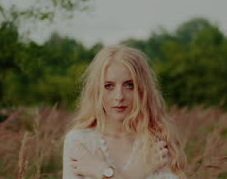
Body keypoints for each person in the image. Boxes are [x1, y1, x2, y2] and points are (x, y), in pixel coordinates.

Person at [62, 45, 187, 179]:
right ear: (97, 90)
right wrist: (137, 171)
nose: (119, 96)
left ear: (142, 90)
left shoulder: (158, 141)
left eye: (129, 85)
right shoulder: (80, 142)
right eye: (109, 86)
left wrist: (103, 171)